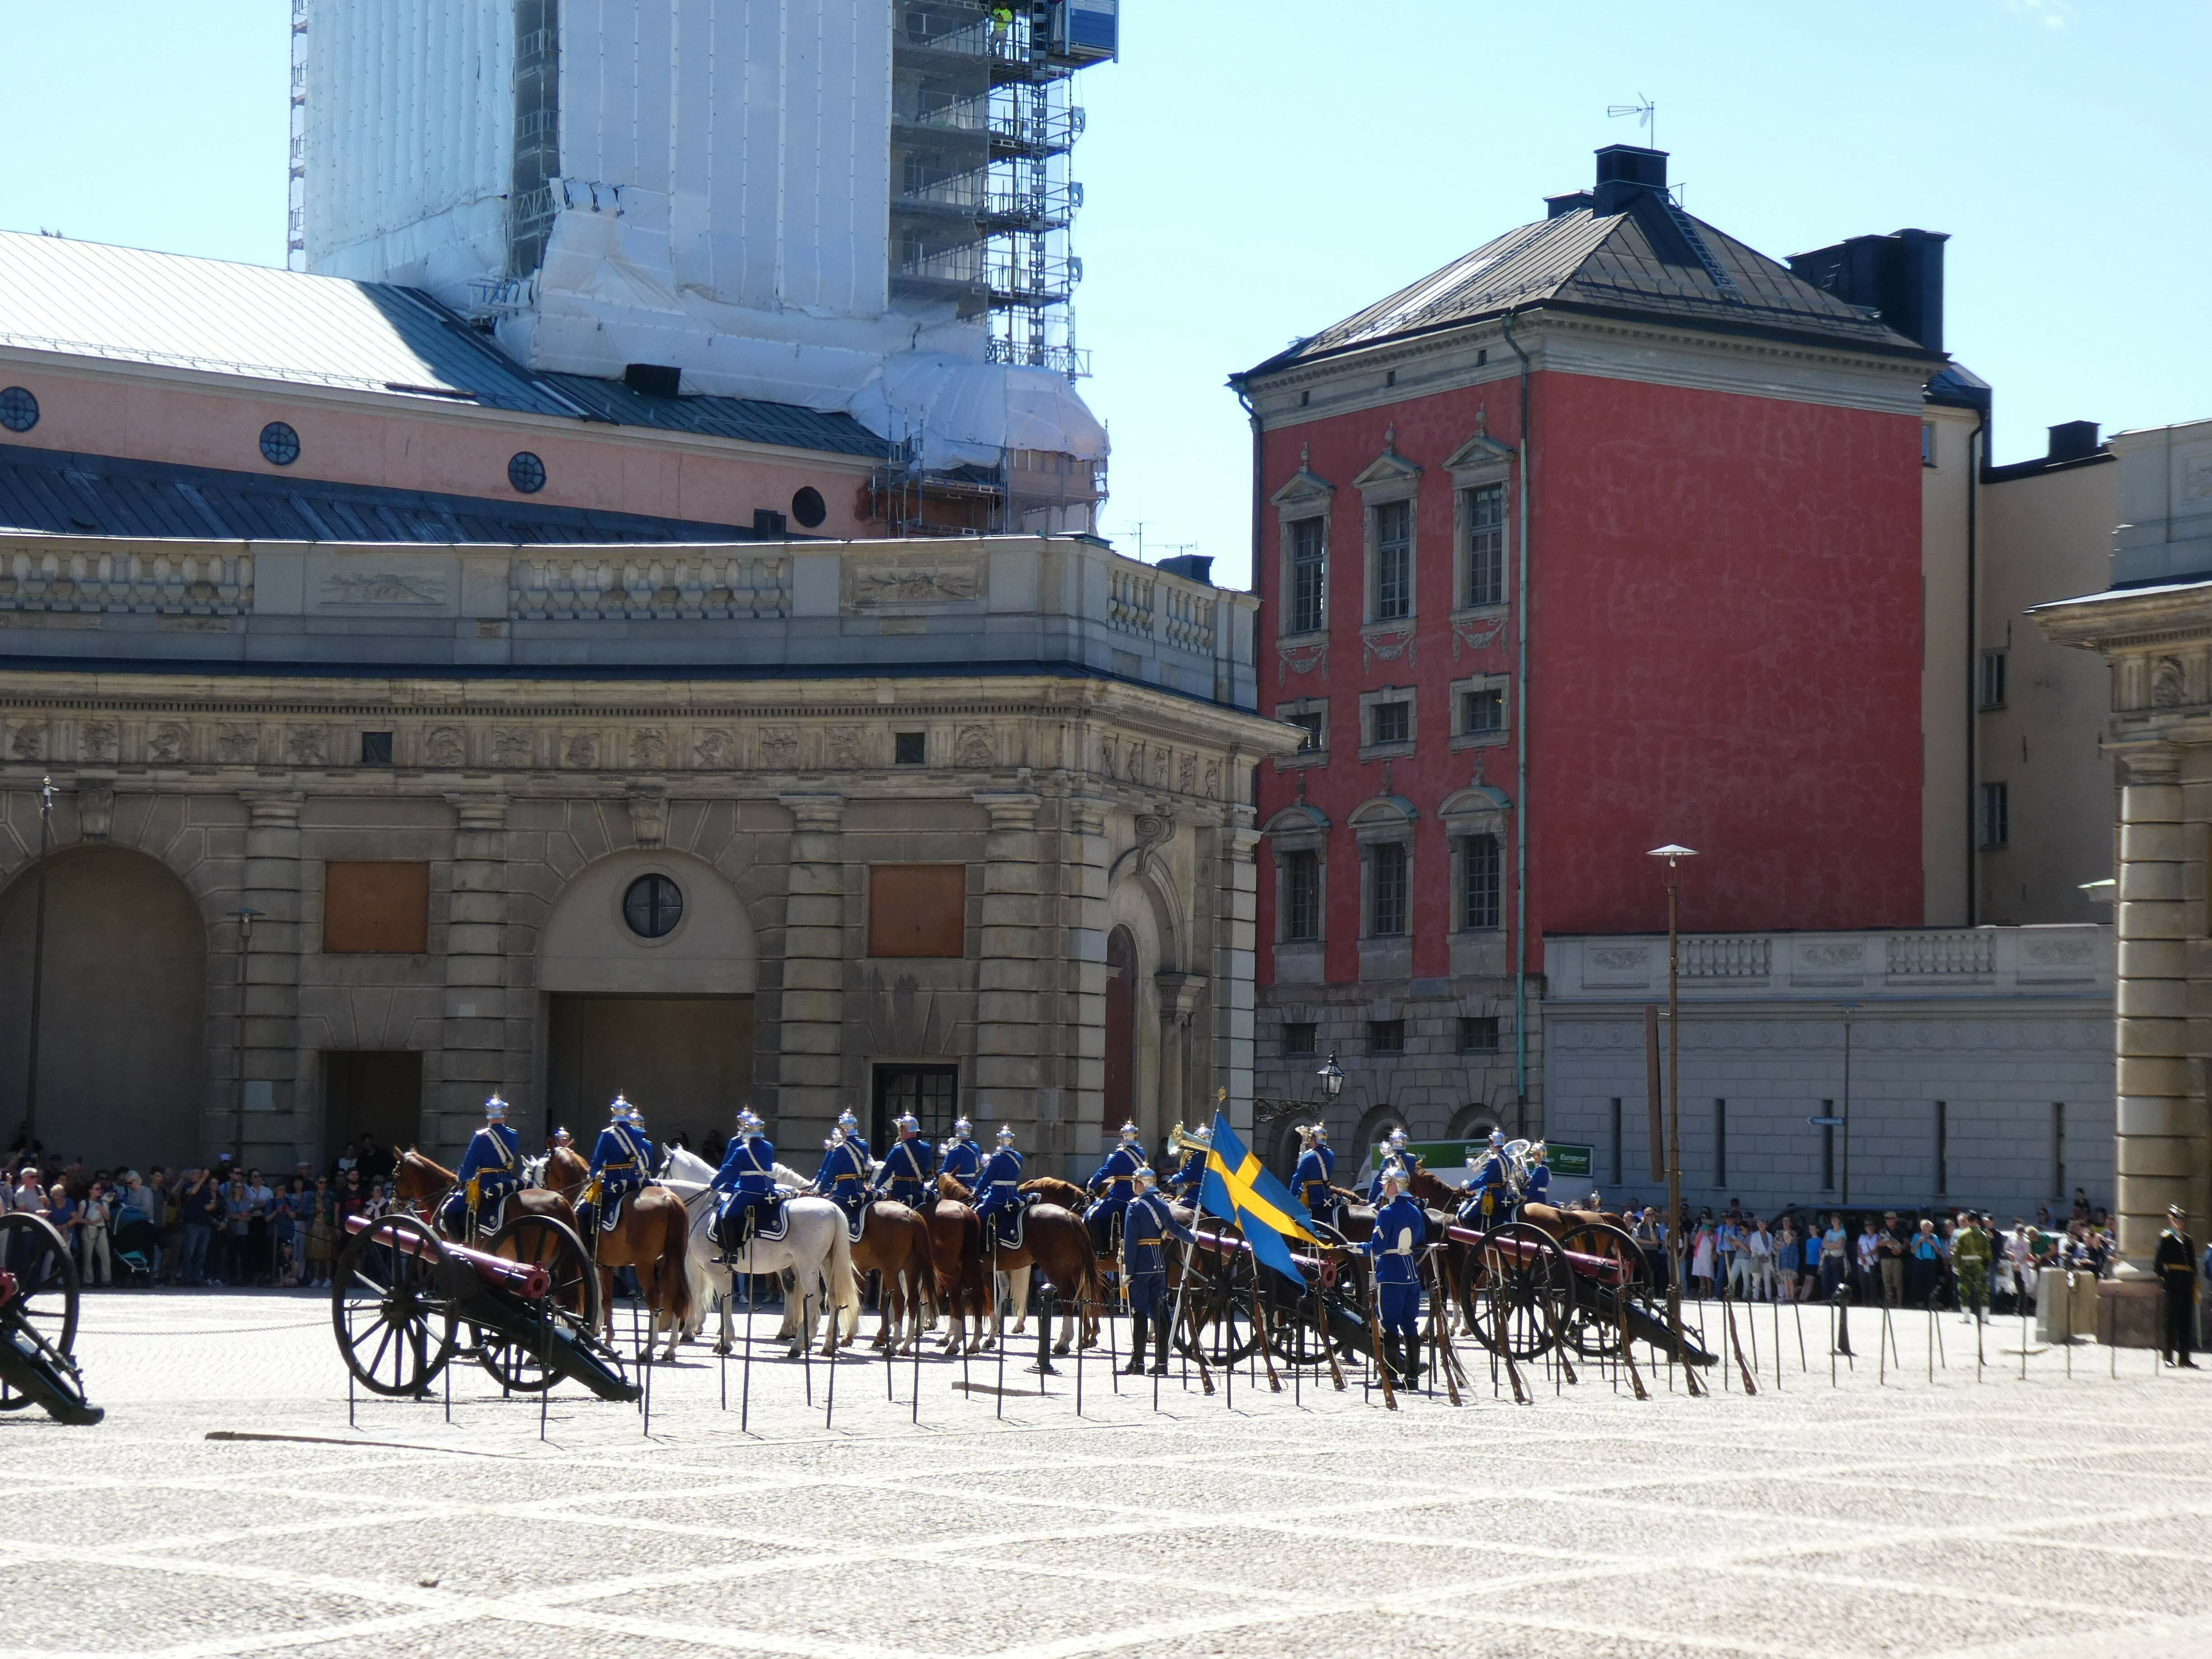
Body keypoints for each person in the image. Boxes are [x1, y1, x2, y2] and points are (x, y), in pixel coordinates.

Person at [1121, 1164, 1194, 1377]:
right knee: (1160, 1312)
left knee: (1140, 1311)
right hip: (1158, 1263)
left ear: (1142, 1184)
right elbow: (1174, 1228)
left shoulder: (1135, 1207)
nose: (1134, 1186)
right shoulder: (1162, 1205)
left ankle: (1138, 1362)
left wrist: (1128, 1270)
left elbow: (1132, 1240)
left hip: (1141, 1264)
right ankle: (1162, 1363)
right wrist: (1193, 1238)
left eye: (1136, 1182)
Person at [1365, 1166, 1427, 1386]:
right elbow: (1420, 1239)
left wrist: (1360, 1248)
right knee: (1410, 1324)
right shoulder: (1415, 1211)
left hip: (1391, 1272)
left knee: (1389, 1324)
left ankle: (1389, 1376)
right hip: (1411, 1272)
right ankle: (1411, 1377)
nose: (1383, 1187)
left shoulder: (1387, 1212)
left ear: (1394, 1186)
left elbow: (1378, 1246)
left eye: (1386, 1183)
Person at [442, 1093, 522, 1239]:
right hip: (509, 1184)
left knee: (449, 1211)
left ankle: (457, 1251)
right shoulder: (513, 1136)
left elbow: (468, 1169)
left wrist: (462, 1177)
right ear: (504, 1115)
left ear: (488, 1115)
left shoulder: (481, 1137)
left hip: (486, 1185)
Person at [710, 1108, 783, 1251]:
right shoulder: (769, 1147)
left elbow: (728, 1170)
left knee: (725, 1214)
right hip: (767, 1191)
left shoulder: (742, 1150)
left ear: (747, 1131)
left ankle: (731, 1253)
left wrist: (714, 1185)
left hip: (748, 1192)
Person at [580, 1096, 650, 1234]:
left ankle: (589, 1248)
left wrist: (596, 1175)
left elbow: (596, 1163)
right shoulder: (638, 1134)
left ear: (613, 1113)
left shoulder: (607, 1135)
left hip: (612, 1184)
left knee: (583, 1211)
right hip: (635, 1183)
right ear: (628, 1112)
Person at [1084, 1122, 1143, 1253]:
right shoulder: (1141, 1153)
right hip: (1138, 1194)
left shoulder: (1120, 1154)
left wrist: (1092, 1185)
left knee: (1092, 1216)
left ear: (1123, 1138)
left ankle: (1101, 1250)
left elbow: (1105, 1171)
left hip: (1121, 1194)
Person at [2156, 1204, 2199, 1368]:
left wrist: (2193, 1281)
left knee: (2185, 1321)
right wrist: (2166, 1280)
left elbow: (2193, 1265)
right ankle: (2168, 1356)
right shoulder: (2166, 1238)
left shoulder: (2188, 1240)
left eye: (2182, 1220)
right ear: (2171, 1220)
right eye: (2178, 1219)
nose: (2181, 1223)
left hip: (2187, 1284)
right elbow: (2158, 1265)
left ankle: (2185, 1357)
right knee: (2171, 1321)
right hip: (2173, 1284)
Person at [972, 1125, 1025, 1245]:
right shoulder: (1019, 1157)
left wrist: (977, 1193)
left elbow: (986, 1178)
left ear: (1000, 1141)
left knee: (978, 1215)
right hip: (1014, 1193)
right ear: (1012, 1141)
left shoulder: (996, 1159)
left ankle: (982, 1246)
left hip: (998, 1197)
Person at [872, 1113, 937, 1207]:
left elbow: (886, 1172)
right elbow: (928, 1168)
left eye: (900, 1129)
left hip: (900, 1192)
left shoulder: (898, 1149)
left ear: (904, 1130)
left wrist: (876, 1187)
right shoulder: (926, 1147)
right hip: (920, 1192)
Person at [813, 1126, 870, 1226]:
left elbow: (830, 1172)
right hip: (861, 1190)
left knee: (819, 1212)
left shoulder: (841, 1149)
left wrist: (819, 1189)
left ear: (845, 1131)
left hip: (845, 1193)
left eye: (842, 1130)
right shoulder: (864, 1145)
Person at [1291, 1125, 1336, 1228]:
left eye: (1311, 1138)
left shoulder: (1309, 1156)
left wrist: (1291, 1196)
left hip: (1312, 1195)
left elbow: (1297, 1178)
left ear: (1314, 1139)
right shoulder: (1331, 1155)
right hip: (1325, 1192)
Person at [1953, 1210, 1993, 1323]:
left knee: (1965, 1291)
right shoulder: (1983, 1236)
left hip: (1965, 1266)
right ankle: (1985, 1318)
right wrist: (1987, 1268)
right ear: (1977, 1221)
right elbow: (1988, 1255)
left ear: (1967, 1221)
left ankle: (1966, 1317)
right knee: (1983, 1291)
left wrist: (1957, 1266)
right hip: (1979, 1266)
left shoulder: (1962, 1235)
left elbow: (1957, 1253)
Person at [1166, 1125, 1209, 1205]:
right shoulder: (1211, 1155)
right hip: (1208, 1191)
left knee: (1176, 1206)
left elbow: (1189, 1173)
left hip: (1197, 1192)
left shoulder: (1200, 1156)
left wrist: (1174, 1180)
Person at [941, 1118, 984, 1191]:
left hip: (957, 1185)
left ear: (957, 1131)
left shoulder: (954, 1151)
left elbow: (945, 1170)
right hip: (972, 1183)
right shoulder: (975, 1147)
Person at [1521, 1141, 1552, 1209]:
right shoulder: (1543, 1169)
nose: (1532, 1156)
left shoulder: (1540, 1170)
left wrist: (1522, 1197)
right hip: (1538, 1199)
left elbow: (1533, 1189)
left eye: (1533, 1154)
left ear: (1538, 1155)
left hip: (1535, 1200)